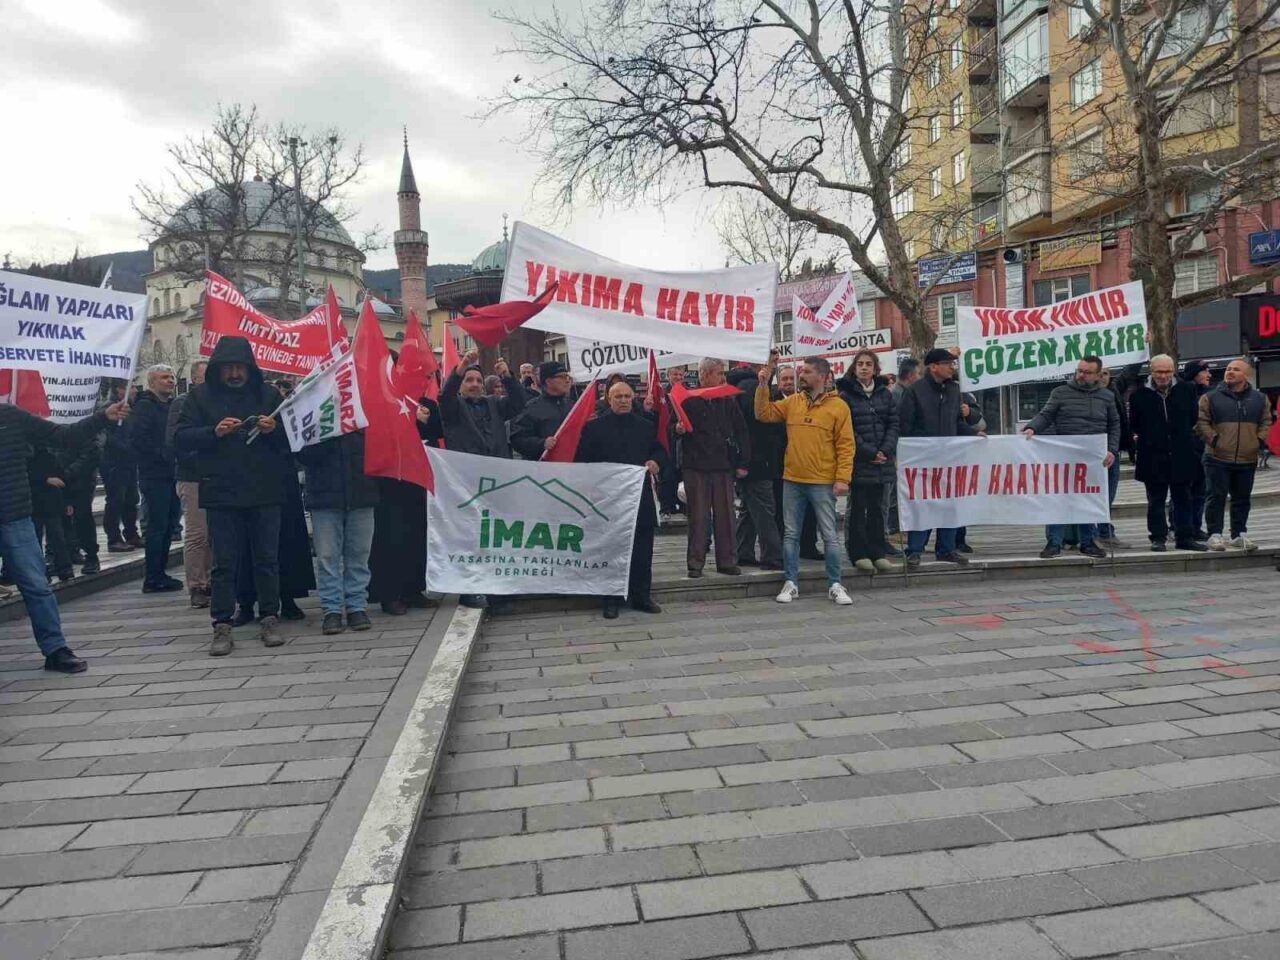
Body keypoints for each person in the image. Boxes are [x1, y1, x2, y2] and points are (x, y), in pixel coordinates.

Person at [174, 336, 291, 656]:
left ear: (250, 368)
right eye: (229, 368)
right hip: (221, 491)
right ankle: (222, 623)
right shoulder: (199, 397)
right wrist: (214, 432)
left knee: (267, 559)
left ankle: (270, 617)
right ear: (218, 369)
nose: (235, 374)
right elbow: (180, 438)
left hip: (264, 490)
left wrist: (274, 430)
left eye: (240, 368)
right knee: (224, 562)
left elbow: (290, 441)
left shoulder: (268, 394)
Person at [0, 397, 128, 672]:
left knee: (37, 585)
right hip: (16, 514)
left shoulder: (10, 416)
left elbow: (62, 436)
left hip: (14, 516)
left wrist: (102, 418)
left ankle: (55, 649)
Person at [755, 357, 855, 605]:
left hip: (823, 481)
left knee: (829, 534)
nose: (802, 375)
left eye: (807, 372)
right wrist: (763, 385)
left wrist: (843, 478)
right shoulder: (793, 402)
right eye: (802, 371)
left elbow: (846, 446)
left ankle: (835, 583)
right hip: (792, 479)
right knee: (791, 534)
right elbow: (763, 413)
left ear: (823, 377)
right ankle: (791, 582)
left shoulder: (839, 407)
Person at [440, 350, 528, 607]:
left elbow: (519, 403)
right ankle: (470, 588)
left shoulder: (495, 404)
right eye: (469, 380)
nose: (475, 384)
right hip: (467, 483)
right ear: (461, 384)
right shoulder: (453, 407)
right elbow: (445, 396)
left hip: (498, 480)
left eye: (479, 380)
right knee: (470, 536)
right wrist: (461, 368)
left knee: (496, 535)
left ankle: (499, 587)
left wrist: (507, 376)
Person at [577, 380, 666, 618]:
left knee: (642, 548)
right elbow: (583, 461)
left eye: (627, 396)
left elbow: (659, 451)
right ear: (609, 399)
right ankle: (611, 599)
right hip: (609, 500)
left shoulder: (645, 426)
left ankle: (641, 596)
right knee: (610, 549)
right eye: (619, 397)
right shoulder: (594, 428)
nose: (624, 400)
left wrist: (655, 462)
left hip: (639, 498)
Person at [1024, 355, 1119, 560]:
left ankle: (1088, 542)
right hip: (1064, 456)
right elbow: (1046, 415)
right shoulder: (1060, 392)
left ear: (1098, 375)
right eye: (1079, 371)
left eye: (1087, 372)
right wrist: (1032, 428)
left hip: (1093, 458)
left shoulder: (1107, 396)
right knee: (1059, 498)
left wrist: (1112, 449)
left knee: (1088, 499)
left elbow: (1114, 424)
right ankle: (1054, 543)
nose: (1081, 375)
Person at [898, 349, 978, 569]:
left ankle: (946, 548)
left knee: (949, 503)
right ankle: (915, 550)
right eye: (947, 363)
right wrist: (914, 451)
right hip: (922, 459)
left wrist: (973, 433)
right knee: (922, 504)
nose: (952, 367)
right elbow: (905, 425)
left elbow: (956, 422)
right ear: (933, 367)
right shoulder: (915, 391)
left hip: (950, 459)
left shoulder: (954, 390)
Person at [298, 431, 379, 634]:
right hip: (323, 496)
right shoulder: (311, 415)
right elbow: (302, 454)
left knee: (359, 554)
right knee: (327, 557)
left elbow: (380, 448)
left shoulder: (365, 416)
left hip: (362, 491)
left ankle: (356, 607)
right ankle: (331, 610)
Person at [369, 393, 440, 616]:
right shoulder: (380, 398)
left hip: (416, 477)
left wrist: (426, 418)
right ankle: (389, 594)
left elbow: (437, 431)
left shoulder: (424, 402)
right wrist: (409, 418)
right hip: (388, 479)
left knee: (416, 533)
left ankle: (413, 589)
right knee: (390, 536)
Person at [679, 358, 750, 578]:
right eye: (719, 373)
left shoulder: (727, 399)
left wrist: (743, 462)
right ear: (705, 375)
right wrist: (677, 428)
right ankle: (695, 563)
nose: (723, 378)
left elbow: (741, 431)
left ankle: (727, 561)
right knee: (698, 517)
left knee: (726, 515)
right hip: (695, 466)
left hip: (722, 465)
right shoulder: (688, 399)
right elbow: (673, 428)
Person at [1129, 354, 1205, 552]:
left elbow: (1192, 418)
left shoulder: (1187, 389)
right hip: (1152, 455)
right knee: (1155, 500)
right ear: (1151, 371)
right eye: (1159, 372)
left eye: (1167, 371)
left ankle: (1185, 537)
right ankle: (1158, 538)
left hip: (1182, 453)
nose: (1163, 376)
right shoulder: (1138, 395)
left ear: (1174, 371)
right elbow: (1135, 424)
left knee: (1184, 498)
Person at [1197, 357, 1271, 552]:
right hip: (1217, 457)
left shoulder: (1260, 399)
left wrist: (1257, 441)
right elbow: (1202, 422)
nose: (1229, 371)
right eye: (1228, 368)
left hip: (1247, 457)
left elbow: (1266, 421)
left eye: (1236, 369)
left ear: (1246, 375)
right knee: (1216, 496)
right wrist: (1214, 440)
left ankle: (1239, 534)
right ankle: (1215, 534)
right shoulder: (1210, 397)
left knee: (1242, 498)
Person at [836, 350, 899, 574]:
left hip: (882, 461)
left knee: (878, 509)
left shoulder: (885, 394)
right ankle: (858, 553)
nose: (864, 368)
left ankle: (878, 552)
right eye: (860, 364)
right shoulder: (845, 395)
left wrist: (885, 450)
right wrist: (869, 452)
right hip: (860, 461)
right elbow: (847, 430)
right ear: (854, 368)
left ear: (875, 369)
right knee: (858, 508)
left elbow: (893, 423)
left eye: (868, 364)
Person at [131, 364, 184, 594]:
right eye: (164, 377)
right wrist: (163, 454)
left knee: (169, 525)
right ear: (152, 382)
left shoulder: (171, 406)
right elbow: (139, 439)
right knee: (157, 526)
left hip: (172, 473)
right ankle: (153, 577)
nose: (170, 381)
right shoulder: (144, 407)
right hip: (154, 475)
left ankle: (160, 573)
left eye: (171, 377)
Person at [728, 362, 784, 570]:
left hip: (748, 458)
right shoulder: (753, 387)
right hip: (759, 458)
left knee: (749, 508)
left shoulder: (740, 385)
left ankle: (743, 551)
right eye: (771, 362)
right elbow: (761, 421)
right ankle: (773, 555)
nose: (774, 365)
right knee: (765, 509)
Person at [167, 359, 211, 607]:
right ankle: (197, 585)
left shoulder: (217, 401)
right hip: (192, 476)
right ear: (194, 379)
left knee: (216, 533)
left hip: (216, 476)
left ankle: (212, 579)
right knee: (197, 534)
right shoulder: (183, 403)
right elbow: (174, 441)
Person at [885, 357, 921, 552]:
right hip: (897, 450)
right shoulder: (898, 395)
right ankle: (894, 528)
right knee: (895, 490)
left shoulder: (902, 393)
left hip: (901, 449)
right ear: (910, 376)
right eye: (918, 374)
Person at [101, 383, 141, 553]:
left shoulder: (130, 408)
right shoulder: (109, 408)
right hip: (113, 461)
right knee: (116, 499)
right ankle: (113, 538)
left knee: (131, 499)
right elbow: (106, 436)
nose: (135, 390)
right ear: (120, 390)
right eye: (132, 387)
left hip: (129, 461)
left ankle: (131, 533)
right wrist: (125, 447)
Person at [57, 426, 102, 576]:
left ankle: (91, 555)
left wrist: (67, 473)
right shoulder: (52, 430)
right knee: (59, 521)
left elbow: (91, 454)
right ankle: (63, 555)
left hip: (80, 482)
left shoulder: (84, 430)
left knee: (83, 518)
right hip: (57, 481)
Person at [1096, 368, 1131, 548]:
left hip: (1112, 451)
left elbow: (1130, 372)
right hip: (1092, 451)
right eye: (1098, 373)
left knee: (1109, 494)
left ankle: (1104, 531)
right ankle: (1096, 533)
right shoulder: (1084, 394)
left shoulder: (1114, 390)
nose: (1102, 377)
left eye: (1105, 374)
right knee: (1095, 495)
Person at [511, 360, 574, 460]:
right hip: (543, 466)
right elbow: (518, 440)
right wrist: (542, 443)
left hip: (572, 465)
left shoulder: (572, 405)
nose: (567, 381)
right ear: (548, 381)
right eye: (562, 377)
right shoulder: (532, 408)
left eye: (568, 377)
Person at [1180, 359, 1213, 538]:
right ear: (1194, 374)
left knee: (1200, 491)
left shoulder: (1210, 394)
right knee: (1184, 490)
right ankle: (1179, 526)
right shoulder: (1181, 392)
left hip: (1204, 448)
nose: (1209, 375)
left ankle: (1196, 527)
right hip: (1186, 448)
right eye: (1204, 371)